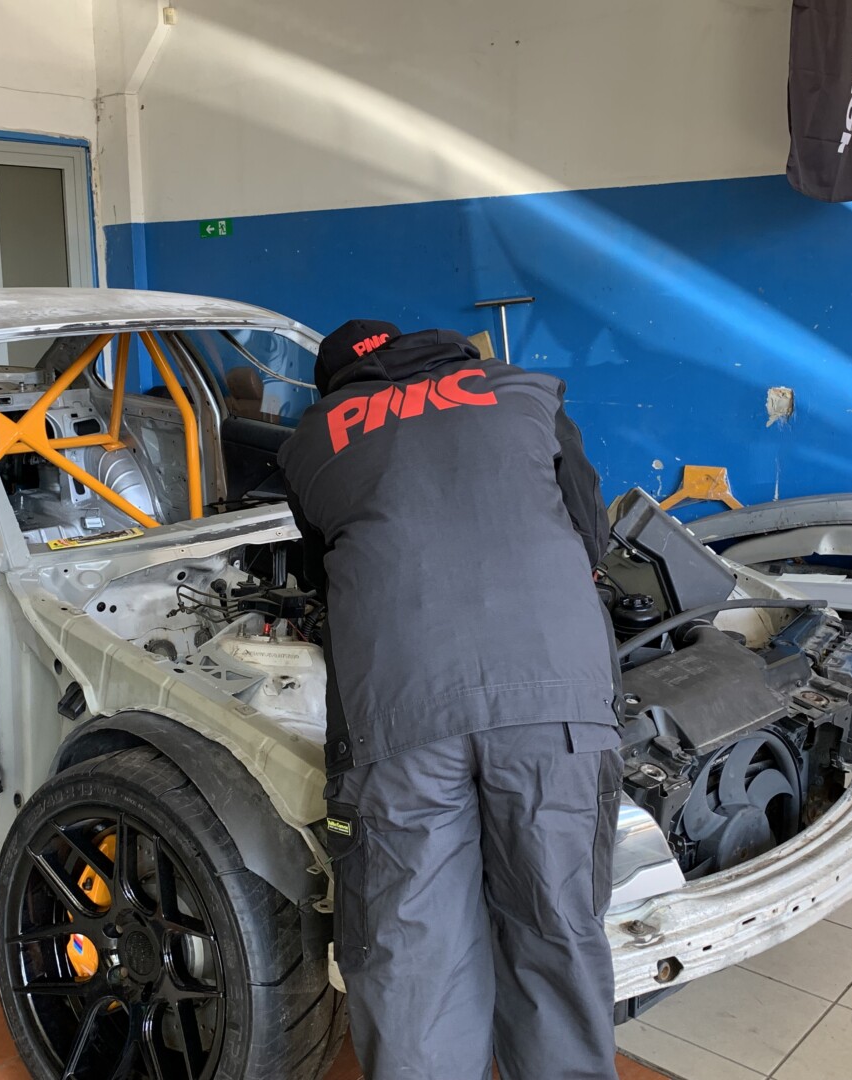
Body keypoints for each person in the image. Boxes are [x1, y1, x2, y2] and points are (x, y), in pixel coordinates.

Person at [279, 320, 622, 1080]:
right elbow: (591, 535)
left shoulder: (312, 438)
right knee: (556, 928)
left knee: (412, 952)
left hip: (401, 712)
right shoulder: (525, 391)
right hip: (554, 699)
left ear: (334, 387)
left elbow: (322, 577)